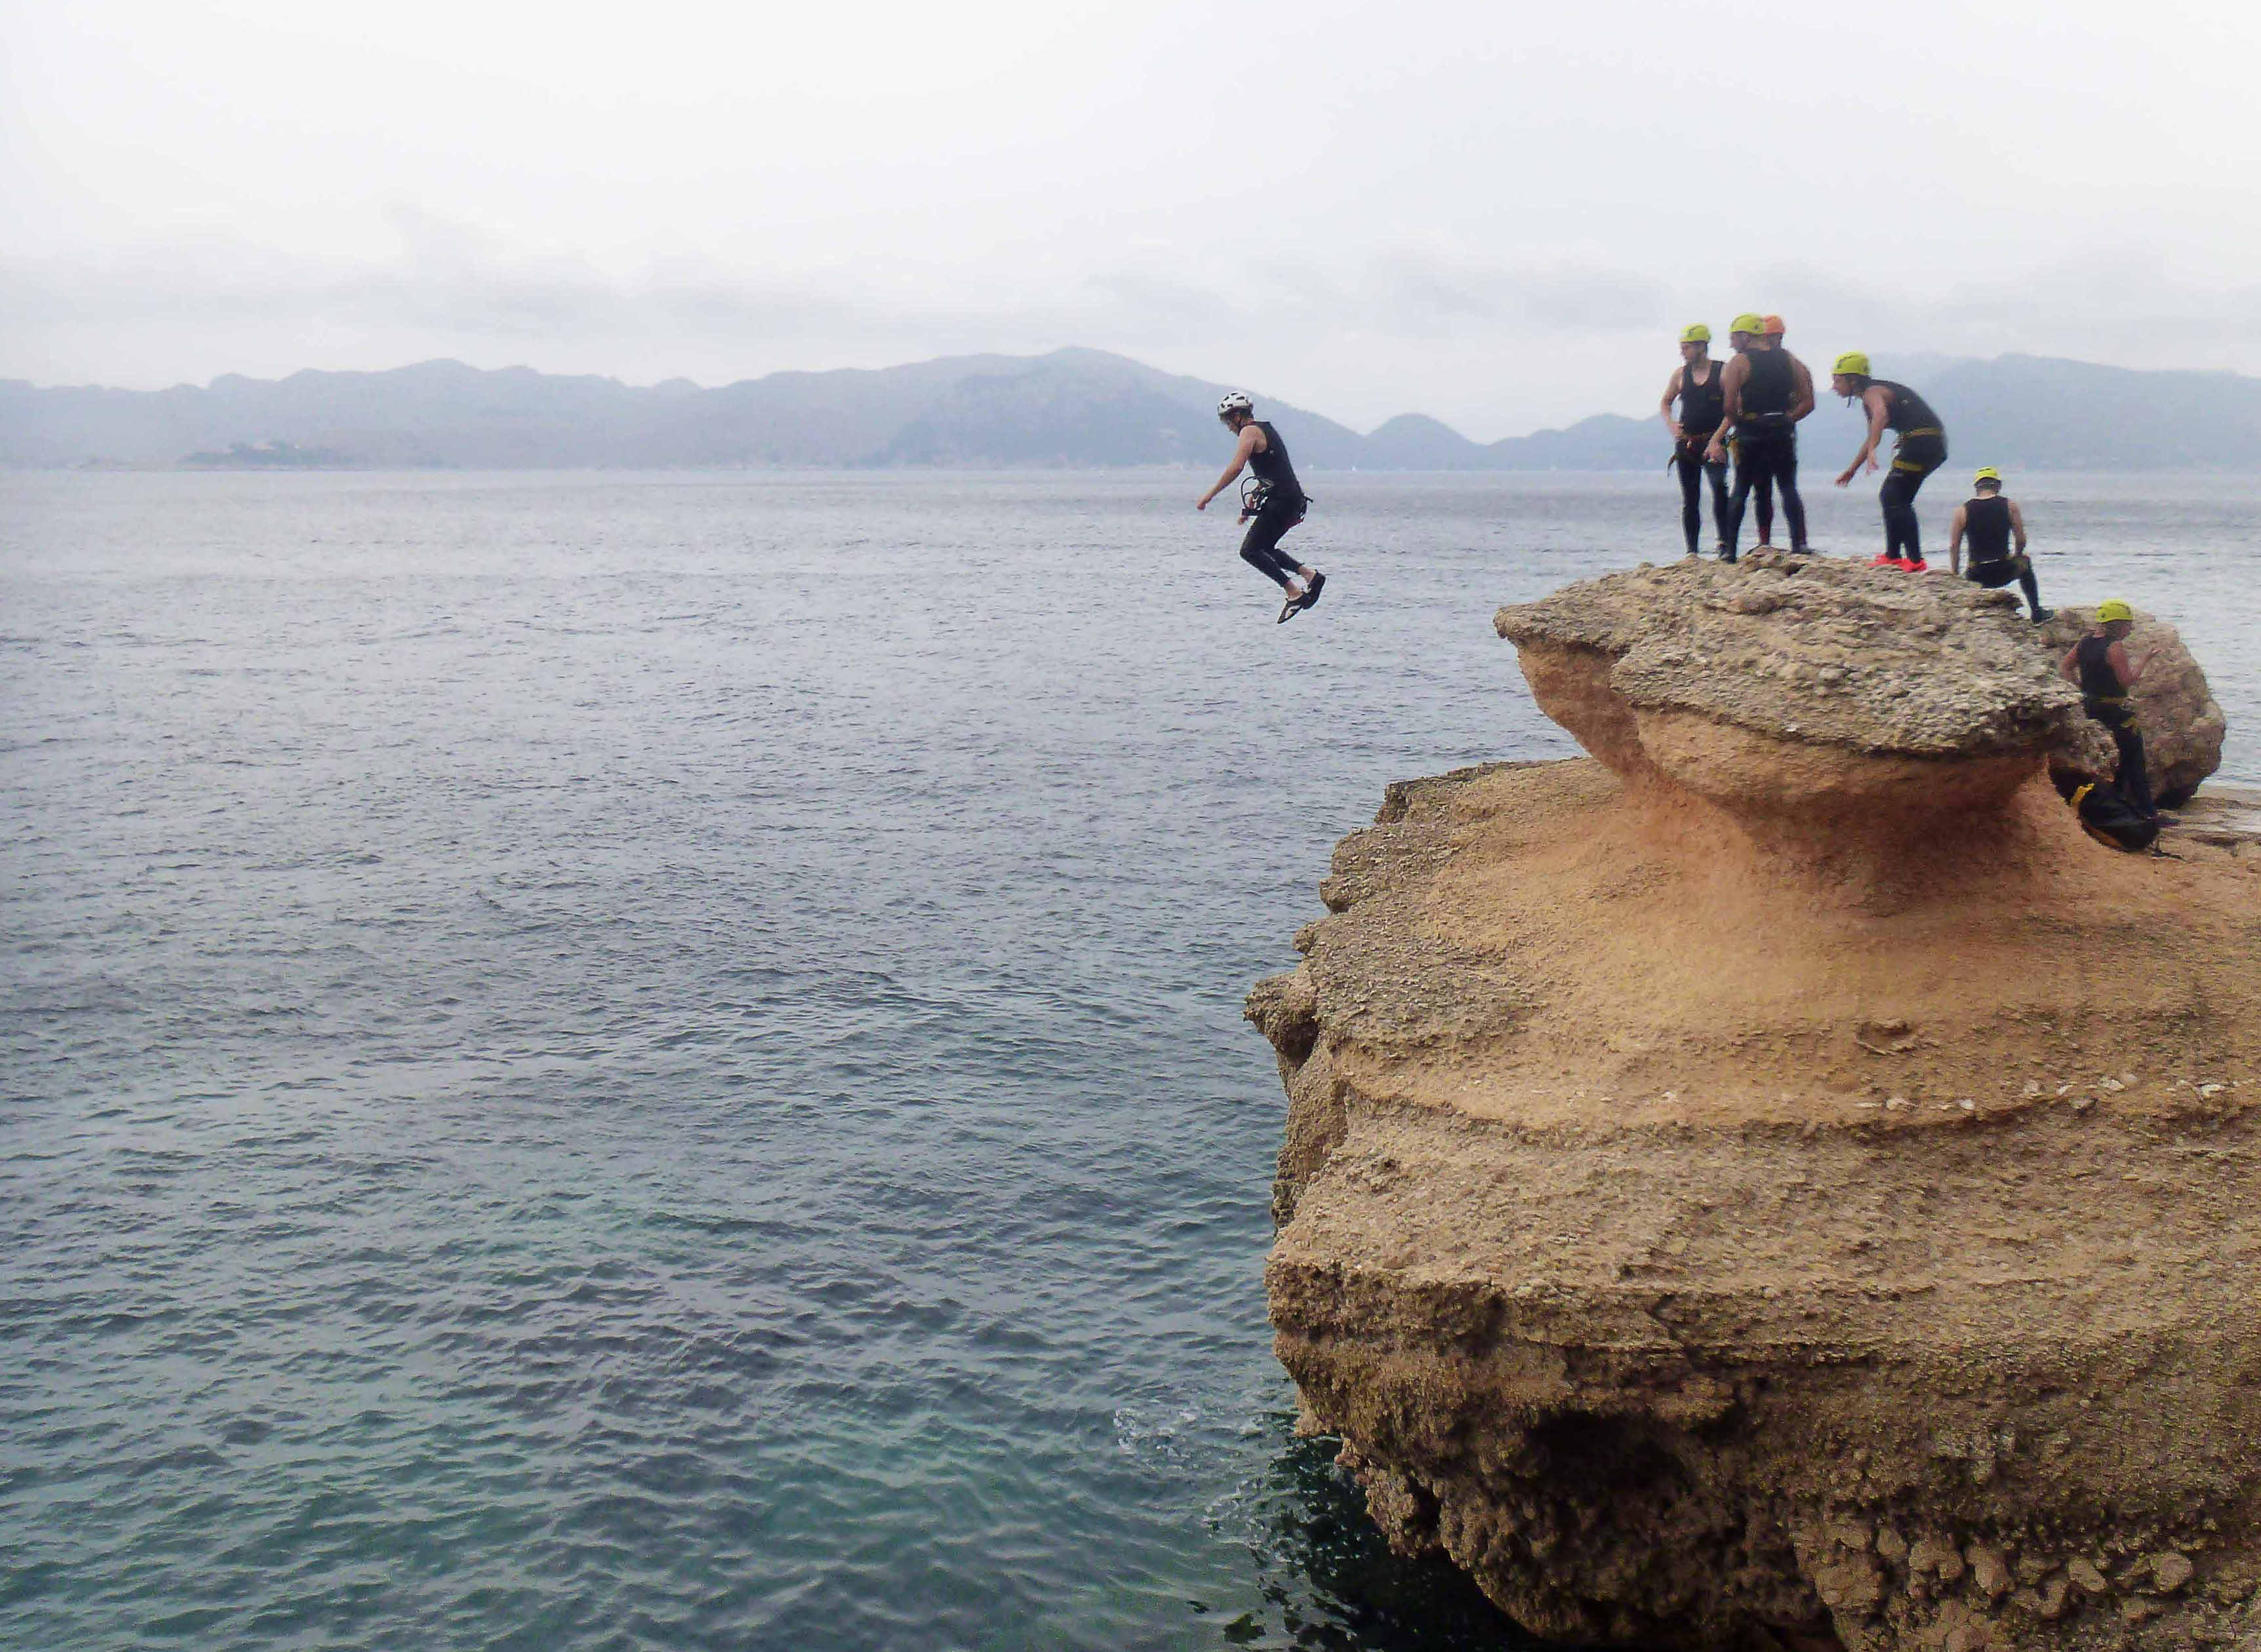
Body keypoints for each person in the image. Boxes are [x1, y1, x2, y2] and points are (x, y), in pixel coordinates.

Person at [1197, 392, 1325, 623]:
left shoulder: (1249, 431)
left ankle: (1293, 592)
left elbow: (1236, 469)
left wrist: (1209, 496)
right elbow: (1274, 471)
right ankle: (1311, 576)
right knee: (1265, 548)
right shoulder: (1265, 429)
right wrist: (1253, 500)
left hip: (1284, 501)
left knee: (1250, 551)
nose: (1228, 428)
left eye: (1228, 421)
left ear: (1238, 416)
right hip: (1291, 499)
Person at [1705, 313, 1814, 561]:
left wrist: (1744, 423)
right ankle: (1799, 543)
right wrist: (1787, 419)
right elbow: (1808, 401)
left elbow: (1730, 406)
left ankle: (1730, 551)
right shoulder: (1790, 360)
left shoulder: (1739, 363)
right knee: (1787, 487)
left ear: (1745, 336)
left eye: (1733, 338)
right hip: (1782, 430)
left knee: (1741, 488)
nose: (1732, 344)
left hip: (1751, 431)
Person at [1831, 354, 1948, 570]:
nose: (1834, 386)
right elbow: (1872, 434)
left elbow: (1881, 415)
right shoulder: (1872, 395)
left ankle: (1913, 560)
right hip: (1929, 443)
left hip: (1922, 443)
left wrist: (1875, 449)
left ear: (1853, 380)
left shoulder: (1872, 393)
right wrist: (1852, 469)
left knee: (1894, 496)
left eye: (1838, 380)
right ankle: (1895, 556)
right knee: (1894, 497)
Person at [2058, 599, 2157, 818]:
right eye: (2127, 625)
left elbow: (2065, 666)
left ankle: (2121, 806)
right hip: (2113, 711)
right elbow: (2127, 681)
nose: (2130, 629)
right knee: (2134, 760)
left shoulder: (2085, 643)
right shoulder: (2114, 647)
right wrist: (2146, 660)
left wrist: (2081, 689)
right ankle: (2148, 812)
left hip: (2091, 707)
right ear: (2117, 625)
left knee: (2122, 760)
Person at [1658, 324, 1730, 557]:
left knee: (1719, 490)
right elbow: (1666, 402)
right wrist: (1671, 423)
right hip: (1687, 443)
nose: (1683, 353)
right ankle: (1692, 551)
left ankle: (1725, 545)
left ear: (1702, 347)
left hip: (1714, 441)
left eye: (1687, 348)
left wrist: (1718, 439)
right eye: (1682, 348)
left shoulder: (1723, 371)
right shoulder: (1680, 375)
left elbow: (1734, 409)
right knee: (1690, 498)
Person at [1948, 467, 2050, 621]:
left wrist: (1955, 574)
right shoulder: (2010, 506)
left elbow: (1954, 547)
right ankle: (2036, 612)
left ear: (1977, 487)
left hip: (1977, 575)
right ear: (1998, 486)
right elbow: (2021, 539)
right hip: (2003, 569)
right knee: (2025, 562)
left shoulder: (1962, 511)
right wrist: (2016, 555)